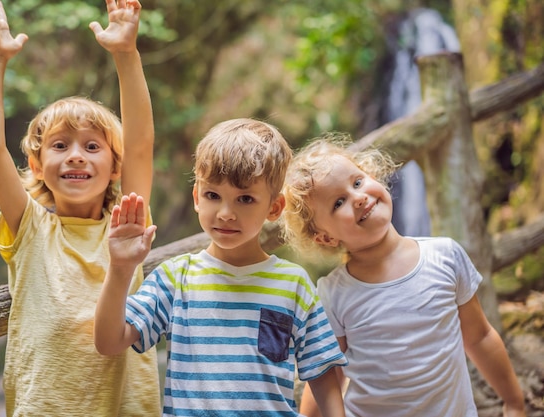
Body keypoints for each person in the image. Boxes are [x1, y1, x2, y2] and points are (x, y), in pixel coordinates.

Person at [0, 0, 160, 415]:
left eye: (93, 147)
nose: (76, 156)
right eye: (60, 146)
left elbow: (142, 143)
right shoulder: (30, 228)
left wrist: (126, 55)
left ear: (116, 166)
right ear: (37, 165)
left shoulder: (126, 221)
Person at [94, 118, 348, 416]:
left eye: (245, 199)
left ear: (274, 208)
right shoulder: (176, 278)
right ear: (196, 198)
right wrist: (121, 268)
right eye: (213, 196)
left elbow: (320, 370)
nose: (226, 213)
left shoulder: (294, 283)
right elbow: (109, 342)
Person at [281, 133, 526, 417]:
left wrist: (514, 403)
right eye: (338, 203)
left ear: (373, 175)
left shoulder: (445, 256)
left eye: (358, 182)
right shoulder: (334, 293)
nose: (359, 198)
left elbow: (480, 337)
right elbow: (328, 377)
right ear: (324, 238)